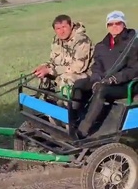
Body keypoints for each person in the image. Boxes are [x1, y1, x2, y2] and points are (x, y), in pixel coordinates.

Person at [74, 10, 138, 139]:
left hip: (127, 84)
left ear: (124, 24)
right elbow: (97, 66)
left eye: (118, 23)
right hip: (104, 81)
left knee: (101, 90)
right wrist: (96, 78)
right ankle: (74, 119)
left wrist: (113, 79)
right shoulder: (101, 46)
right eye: (110, 24)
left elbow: (133, 69)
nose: (114, 27)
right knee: (79, 84)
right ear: (107, 26)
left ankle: (83, 130)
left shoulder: (133, 43)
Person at [33, 14, 94, 98]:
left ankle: (68, 107)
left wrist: (51, 70)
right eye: (58, 29)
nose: (61, 31)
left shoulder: (81, 40)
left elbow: (78, 68)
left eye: (64, 27)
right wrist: (44, 66)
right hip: (64, 71)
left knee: (66, 78)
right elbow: (53, 61)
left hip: (85, 74)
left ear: (71, 25)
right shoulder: (57, 40)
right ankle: (46, 103)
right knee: (45, 76)